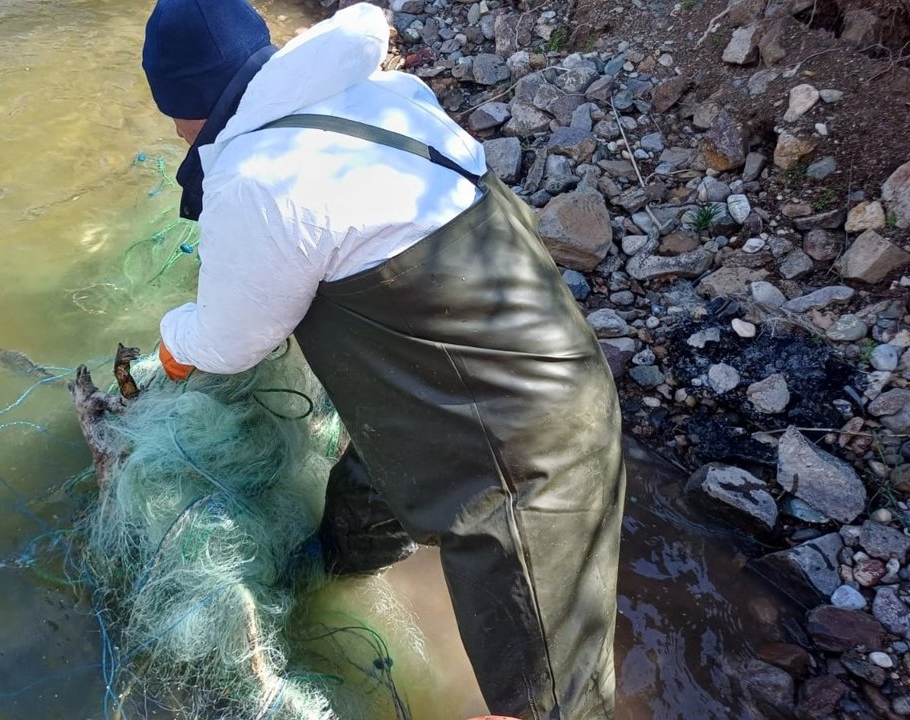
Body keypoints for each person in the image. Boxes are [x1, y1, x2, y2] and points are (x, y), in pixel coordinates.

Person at [141, 2, 627, 718]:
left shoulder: (255, 174)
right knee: (363, 513)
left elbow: (234, 339)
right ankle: (324, 579)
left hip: (522, 450)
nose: (176, 131)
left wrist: (169, 351)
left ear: (186, 102)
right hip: (467, 387)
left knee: (548, 699)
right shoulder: (379, 94)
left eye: (172, 113)